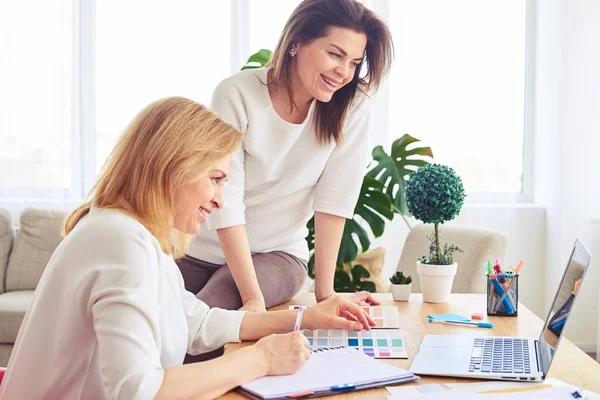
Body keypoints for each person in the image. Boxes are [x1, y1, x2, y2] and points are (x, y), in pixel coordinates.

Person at [0, 97, 375, 400]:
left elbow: (195, 322)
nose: (218, 200)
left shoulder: (134, 235)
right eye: (215, 179)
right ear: (172, 166)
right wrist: (260, 359)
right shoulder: (121, 243)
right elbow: (137, 391)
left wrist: (305, 318)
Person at [179, 0, 394, 316]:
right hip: (200, 252)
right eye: (335, 54)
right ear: (296, 43)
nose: (343, 72)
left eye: (353, 62)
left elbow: (334, 200)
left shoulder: (352, 108)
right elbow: (227, 198)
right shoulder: (236, 93)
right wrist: (252, 300)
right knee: (157, 314)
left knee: (210, 309)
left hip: (278, 256)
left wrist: (325, 292)